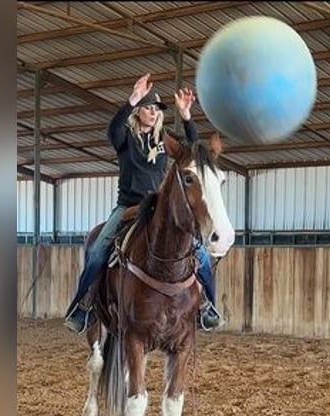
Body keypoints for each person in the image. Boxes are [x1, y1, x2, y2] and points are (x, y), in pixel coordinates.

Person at [64, 73, 223, 334]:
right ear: (137, 112)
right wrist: (132, 99)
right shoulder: (125, 138)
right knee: (97, 250)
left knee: (202, 255)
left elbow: (193, 150)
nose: (152, 112)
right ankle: (83, 305)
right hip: (128, 207)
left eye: (156, 108)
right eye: (147, 107)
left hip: (159, 207)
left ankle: (207, 307)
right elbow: (112, 129)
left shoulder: (164, 139)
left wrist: (186, 116)